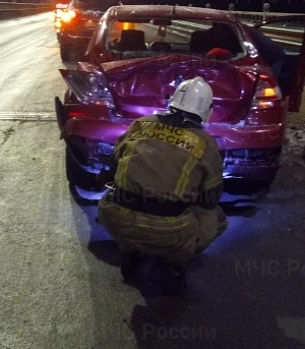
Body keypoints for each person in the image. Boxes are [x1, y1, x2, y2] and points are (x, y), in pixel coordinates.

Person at [97, 76, 227, 295]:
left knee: (120, 199)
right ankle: (175, 261)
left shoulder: (141, 124)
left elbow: (113, 165)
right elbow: (210, 198)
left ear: (173, 100)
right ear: (207, 109)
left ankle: (129, 251)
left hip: (116, 218)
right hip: (168, 231)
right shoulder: (205, 142)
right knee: (217, 219)